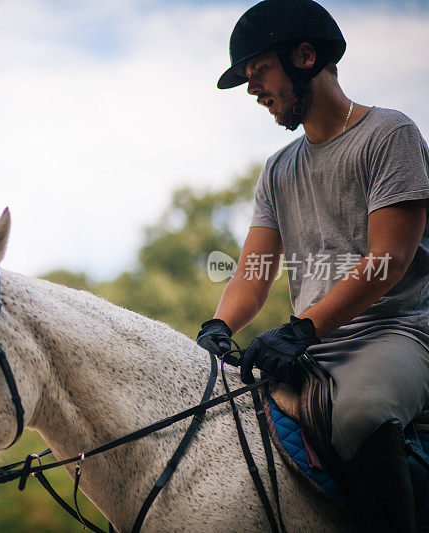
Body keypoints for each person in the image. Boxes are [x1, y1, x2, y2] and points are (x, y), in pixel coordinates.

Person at [195, 0, 429, 531]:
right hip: (312, 344)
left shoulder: (390, 136)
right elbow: (252, 275)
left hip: (399, 334)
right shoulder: (278, 169)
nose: (253, 90)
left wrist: (303, 326)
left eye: (259, 72)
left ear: (305, 56)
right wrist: (218, 327)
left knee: (358, 416)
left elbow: (388, 260)